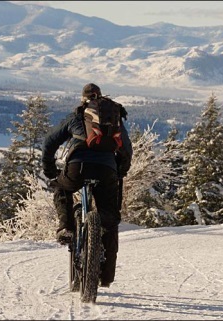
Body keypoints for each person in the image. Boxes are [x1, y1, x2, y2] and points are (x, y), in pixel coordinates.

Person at [41, 83, 133, 287]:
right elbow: (126, 148)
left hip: (77, 168)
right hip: (107, 170)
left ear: (84, 99)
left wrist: (50, 170)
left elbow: (50, 141)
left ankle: (66, 227)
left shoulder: (77, 115)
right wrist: (120, 171)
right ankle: (106, 276)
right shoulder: (113, 117)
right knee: (109, 219)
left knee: (62, 188)